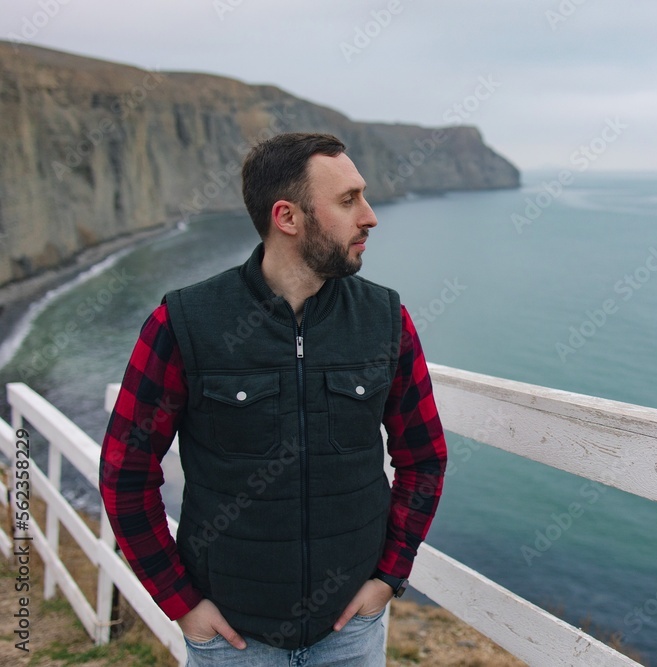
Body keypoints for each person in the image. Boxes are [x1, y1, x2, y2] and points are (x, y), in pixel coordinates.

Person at [100, 132, 448, 666]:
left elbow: (424, 458)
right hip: (232, 639)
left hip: (351, 633)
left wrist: (388, 576)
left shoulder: (385, 320)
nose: (370, 217)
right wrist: (180, 602)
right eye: (348, 200)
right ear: (287, 217)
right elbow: (126, 472)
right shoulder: (186, 323)